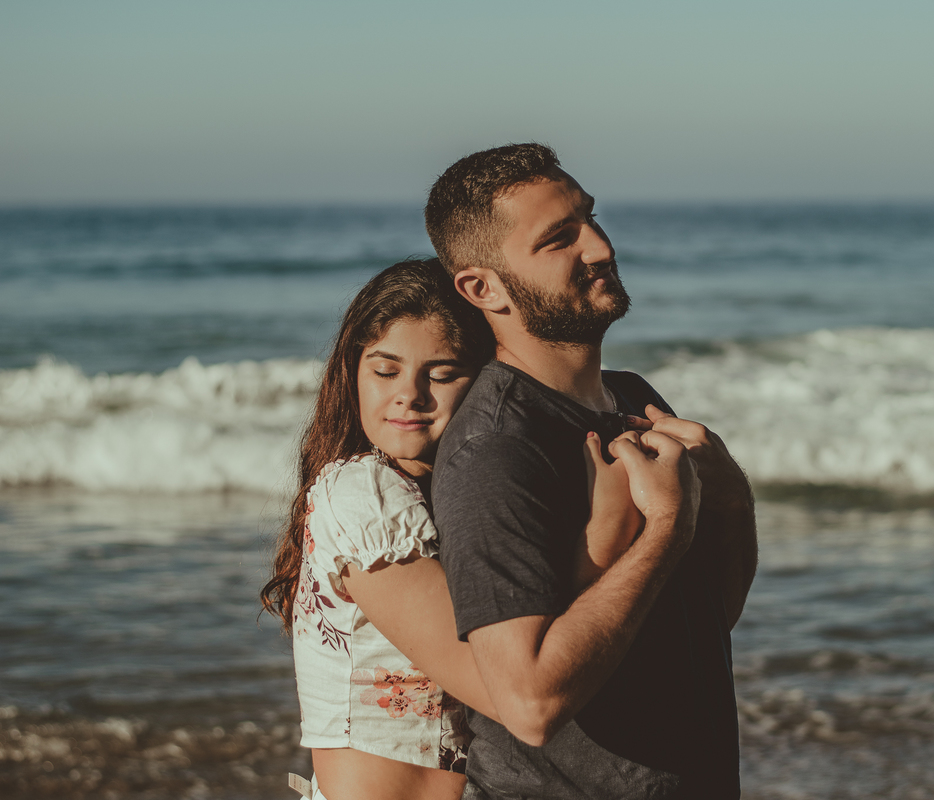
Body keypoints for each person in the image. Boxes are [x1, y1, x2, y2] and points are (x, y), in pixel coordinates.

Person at [260, 259, 701, 800]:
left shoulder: (449, 488)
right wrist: (607, 534)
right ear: (351, 370)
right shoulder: (363, 499)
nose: (410, 395)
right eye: (384, 369)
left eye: (442, 374)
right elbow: (511, 693)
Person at [426, 143, 758, 799]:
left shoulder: (632, 397)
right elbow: (531, 705)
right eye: (559, 239)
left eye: (590, 219)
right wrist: (666, 523)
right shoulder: (496, 449)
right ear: (481, 287)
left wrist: (726, 494)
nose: (600, 247)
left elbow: (710, 616)